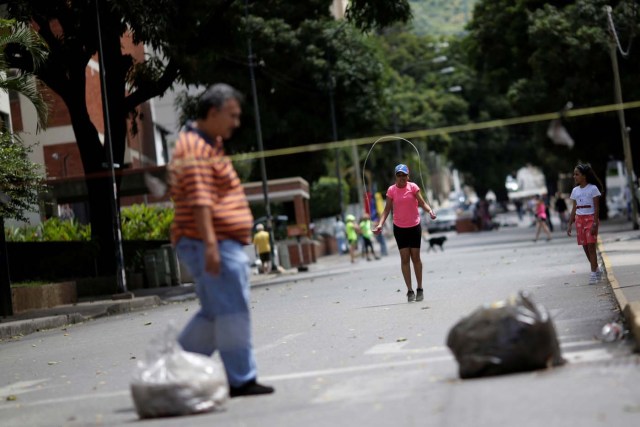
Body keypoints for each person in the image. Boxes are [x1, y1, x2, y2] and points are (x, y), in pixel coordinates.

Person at [168, 83, 274, 397]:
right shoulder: (195, 147)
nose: (236, 122)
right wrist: (212, 245)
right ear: (213, 112)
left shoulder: (207, 143)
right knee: (231, 311)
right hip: (210, 242)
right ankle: (241, 378)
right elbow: (201, 200)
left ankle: (175, 369)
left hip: (213, 241)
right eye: (232, 115)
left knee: (218, 311)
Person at [374, 164, 437, 302]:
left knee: (416, 257)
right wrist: (380, 224)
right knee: (404, 258)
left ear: (408, 176)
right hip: (399, 228)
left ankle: (420, 288)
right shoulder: (391, 190)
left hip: (414, 226)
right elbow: (386, 210)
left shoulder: (413, 187)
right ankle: (409, 290)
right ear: (396, 176)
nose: (401, 178)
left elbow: (422, 202)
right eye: (399, 175)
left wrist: (430, 211)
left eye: (404, 175)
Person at [567, 163, 603, 285]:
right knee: (585, 247)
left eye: (577, 174)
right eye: (574, 174)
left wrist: (594, 223)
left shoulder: (593, 189)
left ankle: (593, 273)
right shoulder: (575, 191)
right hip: (579, 220)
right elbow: (574, 208)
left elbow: (597, 208)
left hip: (590, 219)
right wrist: (570, 223)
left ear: (584, 176)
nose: (574, 176)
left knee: (591, 247)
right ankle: (596, 268)